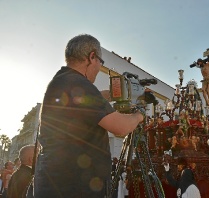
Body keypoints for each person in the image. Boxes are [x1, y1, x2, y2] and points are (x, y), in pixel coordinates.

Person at [34, 34, 144, 198]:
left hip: (58, 182)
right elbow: (120, 128)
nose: (99, 68)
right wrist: (139, 115)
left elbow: (81, 102)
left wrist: (106, 96)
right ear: (92, 57)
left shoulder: (63, 80)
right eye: (100, 61)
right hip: (74, 187)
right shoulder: (79, 83)